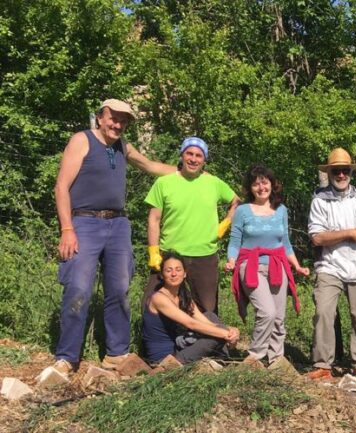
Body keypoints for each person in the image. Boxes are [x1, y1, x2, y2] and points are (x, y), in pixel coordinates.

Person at [53, 98, 178, 374]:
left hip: (117, 225)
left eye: (124, 121)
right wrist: (67, 229)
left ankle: (116, 354)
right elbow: (61, 187)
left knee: (120, 290)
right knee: (79, 289)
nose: (118, 124)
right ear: (100, 117)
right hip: (83, 223)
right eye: (114, 118)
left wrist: (188, 172)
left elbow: (150, 166)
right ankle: (66, 357)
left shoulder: (123, 146)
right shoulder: (82, 140)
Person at [144, 137, 240, 314]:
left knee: (207, 309)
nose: (193, 159)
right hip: (170, 254)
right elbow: (154, 220)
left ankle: (206, 341)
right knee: (153, 306)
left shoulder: (214, 183)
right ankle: (160, 341)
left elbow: (236, 201)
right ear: (181, 155)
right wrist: (153, 251)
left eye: (198, 155)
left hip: (204, 254)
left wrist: (226, 223)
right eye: (189, 153)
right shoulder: (164, 183)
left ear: (204, 160)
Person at [226, 165, 310, 365]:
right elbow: (235, 241)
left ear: (272, 184)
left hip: (277, 265)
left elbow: (285, 243)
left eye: (265, 182)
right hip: (251, 266)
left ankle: (276, 360)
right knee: (267, 312)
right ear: (250, 188)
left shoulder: (281, 210)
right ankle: (255, 357)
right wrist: (231, 261)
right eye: (256, 184)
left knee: (279, 317)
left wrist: (297, 266)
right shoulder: (243, 211)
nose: (261, 187)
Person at [307, 148, 356, 380]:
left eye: (344, 170)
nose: (340, 175)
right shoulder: (319, 199)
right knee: (323, 311)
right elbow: (317, 237)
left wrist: (338, 234)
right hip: (329, 266)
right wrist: (349, 232)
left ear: (350, 172)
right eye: (336, 171)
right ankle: (323, 364)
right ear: (328, 172)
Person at [143, 252, 240, 366]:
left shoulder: (182, 295)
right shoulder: (158, 298)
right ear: (162, 275)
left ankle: (223, 358)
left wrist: (230, 331)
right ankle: (225, 358)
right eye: (168, 270)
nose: (174, 274)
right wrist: (225, 334)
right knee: (215, 337)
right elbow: (191, 323)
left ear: (185, 274)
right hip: (166, 360)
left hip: (179, 348)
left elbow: (204, 321)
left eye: (178, 270)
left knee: (210, 315)